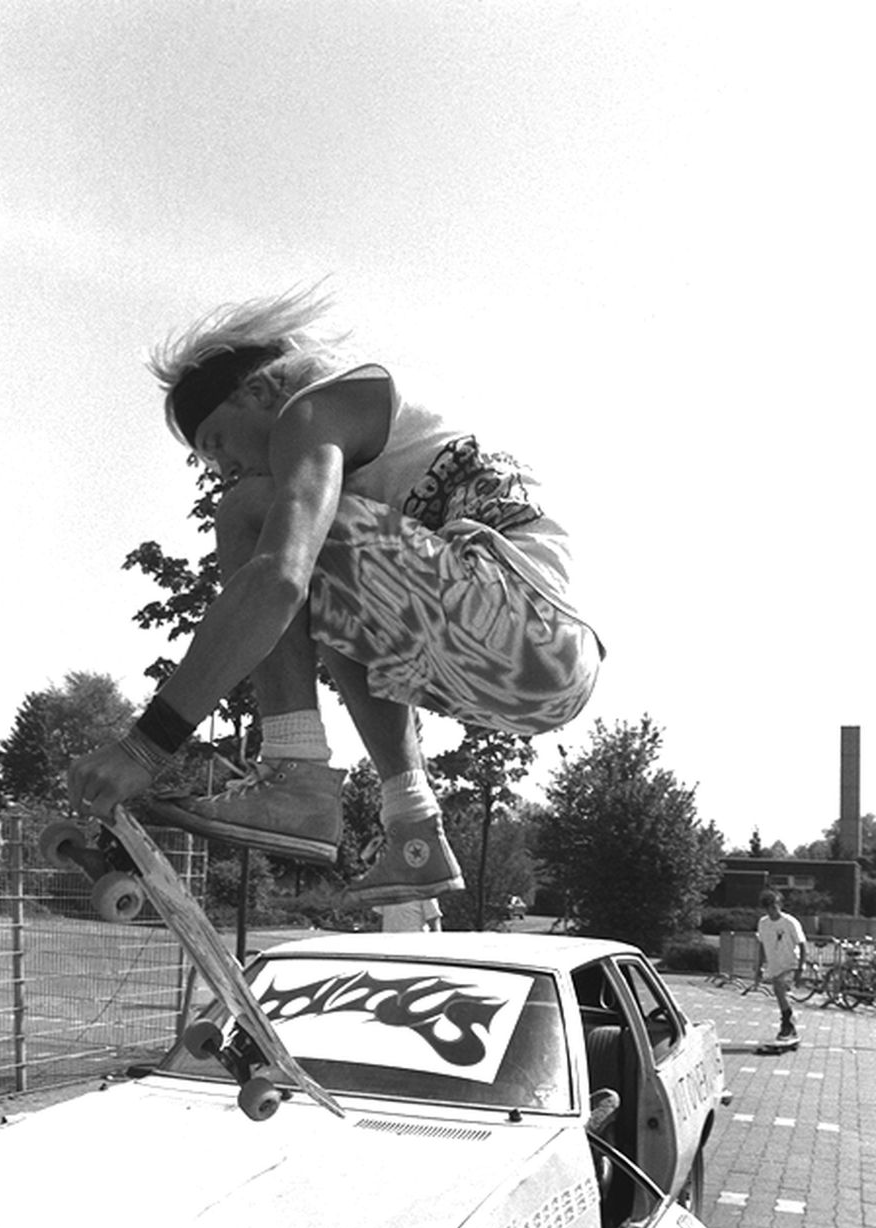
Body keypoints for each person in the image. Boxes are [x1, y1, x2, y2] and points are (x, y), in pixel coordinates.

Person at [67, 286, 604, 904]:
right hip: (539, 669)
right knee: (327, 601)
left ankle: (296, 776)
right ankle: (413, 828)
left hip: (523, 616)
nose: (225, 469)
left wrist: (146, 746)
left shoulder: (313, 407)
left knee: (253, 519)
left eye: (217, 445)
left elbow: (277, 577)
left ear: (260, 393)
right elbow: (318, 593)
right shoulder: (370, 476)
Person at [754, 889, 806, 1041]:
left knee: (778, 986)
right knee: (780, 994)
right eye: (768, 908)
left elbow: (803, 945)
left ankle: (787, 1022)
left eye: (774, 907)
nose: (771, 911)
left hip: (791, 964)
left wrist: (801, 968)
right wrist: (759, 967)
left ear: (779, 905)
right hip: (775, 965)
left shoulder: (790, 922)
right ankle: (791, 1023)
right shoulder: (763, 923)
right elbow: (762, 946)